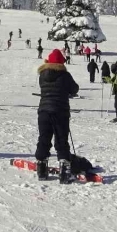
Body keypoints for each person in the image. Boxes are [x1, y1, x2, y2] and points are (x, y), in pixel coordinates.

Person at [35, 49, 80, 183]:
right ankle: (64, 172)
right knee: (61, 140)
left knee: (44, 138)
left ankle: (41, 168)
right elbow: (74, 89)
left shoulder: (42, 75)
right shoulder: (64, 75)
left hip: (43, 111)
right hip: (60, 112)